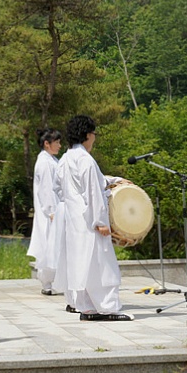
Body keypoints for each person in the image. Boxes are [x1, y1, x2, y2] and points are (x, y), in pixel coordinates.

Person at [54, 115, 133, 322]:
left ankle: (86, 307)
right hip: (90, 220)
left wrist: (113, 180)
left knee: (81, 265)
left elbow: (63, 188)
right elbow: (93, 191)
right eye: (94, 134)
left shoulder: (65, 159)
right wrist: (101, 221)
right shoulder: (86, 160)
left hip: (74, 220)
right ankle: (106, 308)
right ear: (88, 134)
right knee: (101, 264)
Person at [27, 128, 63, 295]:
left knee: (52, 246)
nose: (60, 145)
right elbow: (47, 190)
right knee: (50, 246)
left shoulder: (51, 160)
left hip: (52, 210)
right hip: (50, 212)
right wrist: (52, 212)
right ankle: (49, 283)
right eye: (57, 142)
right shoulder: (45, 163)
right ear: (47, 144)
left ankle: (52, 283)